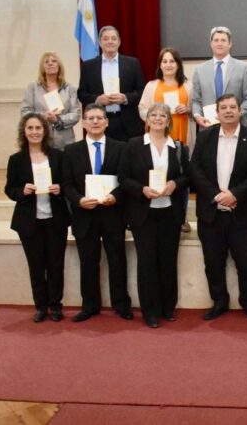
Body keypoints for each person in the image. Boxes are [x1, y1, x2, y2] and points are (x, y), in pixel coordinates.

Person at [188, 93, 247, 321]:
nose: (228, 111)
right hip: (211, 213)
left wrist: (235, 194)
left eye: (232, 107)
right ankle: (219, 301)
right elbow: (195, 170)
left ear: (240, 111)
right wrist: (216, 195)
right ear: (217, 113)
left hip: (243, 214)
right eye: (224, 108)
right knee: (213, 263)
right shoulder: (205, 137)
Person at [118, 103, 189, 328]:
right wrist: (142, 189)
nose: (158, 118)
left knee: (168, 261)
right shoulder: (133, 145)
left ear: (169, 121)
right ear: (147, 120)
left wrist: (174, 183)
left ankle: (168, 307)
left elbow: (187, 177)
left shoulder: (178, 147)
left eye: (163, 115)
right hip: (143, 214)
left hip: (170, 212)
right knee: (147, 262)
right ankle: (150, 311)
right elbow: (123, 178)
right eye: (154, 115)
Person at [61, 104, 133, 323]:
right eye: (90, 118)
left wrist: (116, 196)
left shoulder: (121, 148)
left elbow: (125, 180)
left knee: (117, 261)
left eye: (99, 118)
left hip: (113, 214)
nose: (95, 121)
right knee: (88, 262)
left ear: (106, 122)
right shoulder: (71, 151)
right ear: (83, 123)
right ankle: (90, 305)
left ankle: (121, 304)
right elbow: (66, 183)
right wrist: (79, 200)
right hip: (84, 215)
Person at [4, 113, 70, 323]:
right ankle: (41, 306)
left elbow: (68, 184)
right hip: (29, 223)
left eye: (38, 128)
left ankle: (55, 306)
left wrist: (60, 189)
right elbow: (9, 189)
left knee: (56, 265)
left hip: (55, 220)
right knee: (36, 266)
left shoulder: (58, 156)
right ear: (24, 132)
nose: (34, 132)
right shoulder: (16, 160)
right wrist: (22, 191)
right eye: (30, 128)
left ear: (45, 131)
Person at [138, 47, 195, 232]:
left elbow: (197, 110)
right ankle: (154, 211)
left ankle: (182, 217)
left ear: (178, 64)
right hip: (158, 139)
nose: (168, 65)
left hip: (181, 139)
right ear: (160, 65)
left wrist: (188, 110)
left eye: (172, 61)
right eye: (165, 61)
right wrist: (155, 115)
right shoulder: (152, 86)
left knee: (181, 180)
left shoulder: (188, 86)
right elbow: (142, 108)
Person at [78, 26, 146, 141]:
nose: (110, 41)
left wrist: (125, 98)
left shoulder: (132, 63)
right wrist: (97, 100)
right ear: (100, 42)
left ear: (119, 42)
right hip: (99, 122)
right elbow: (82, 94)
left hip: (128, 124)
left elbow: (141, 91)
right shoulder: (88, 66)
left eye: (113, 38)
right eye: (106, 38)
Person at [192, 26, 247, 127]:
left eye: (223, 40)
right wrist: (197, 116)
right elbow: (196, 100)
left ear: (230, 44)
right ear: (211, 44)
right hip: (208, 126)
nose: (219, 43)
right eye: (216, 40)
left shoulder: (244, 68)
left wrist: (236, 114)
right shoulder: (199, 70)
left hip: (236, 126)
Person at [21, 52, 81, 150]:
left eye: (54, 61)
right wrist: (42, 116)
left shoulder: (69, 88)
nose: (50, 63)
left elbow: (76, 114)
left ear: (59, 66)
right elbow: (25, 112)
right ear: (42, 67)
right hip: (40, 141)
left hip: (65, 142)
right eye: (46, 62)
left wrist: (58, 120)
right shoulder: (32, 87)